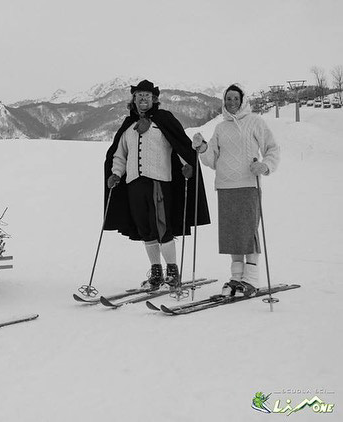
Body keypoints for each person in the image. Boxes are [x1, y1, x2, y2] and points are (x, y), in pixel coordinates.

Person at [104, 79, 211, 291]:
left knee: (162, 226)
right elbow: (120, 154)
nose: (143, 98)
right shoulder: (127, 127)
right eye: (139, 95)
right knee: (145, 229)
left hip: (159, 183)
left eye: (147, 95)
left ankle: (172, 272)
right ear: (133, 99)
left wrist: (187, 164)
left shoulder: (164, 120)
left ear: (154, 99)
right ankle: (156, 272)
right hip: (134, 184)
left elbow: (179, 144)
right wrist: (116, 174)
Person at [192, 84, 280, 297]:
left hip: (248, 184)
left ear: (242, 100)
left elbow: (272, 148)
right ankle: (236, 278)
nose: (232, 102)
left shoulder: (255, 122)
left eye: (235, 98)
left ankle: (250, 280)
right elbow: (212, 159)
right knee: (232, 234)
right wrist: (202, 148)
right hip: (225, 186)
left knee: (248, 232)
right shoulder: (221, 128)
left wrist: (265, 165)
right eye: (228, 99)